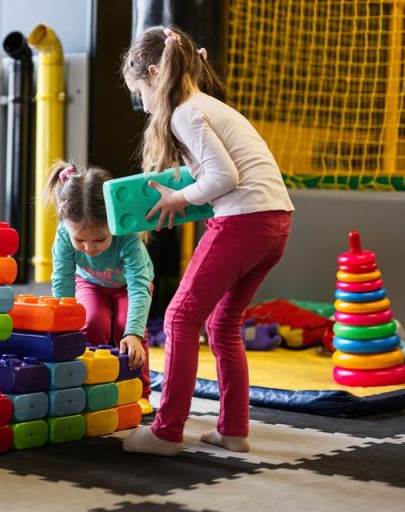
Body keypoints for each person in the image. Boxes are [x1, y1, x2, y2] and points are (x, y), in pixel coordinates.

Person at [120, 26, 294, 455]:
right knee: (222, 324)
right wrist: (182, 192)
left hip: (243, 222)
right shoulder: (210, 106)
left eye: (140, 93)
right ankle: (233, 430)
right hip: (275, 223)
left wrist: (180, 197)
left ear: (155, 74)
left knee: (180, 318)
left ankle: (166, 432)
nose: (143, 105)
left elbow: (224, 178)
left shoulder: (185, 112)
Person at [46, 161, 155, 414]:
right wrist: (65, 322)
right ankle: (97, 385)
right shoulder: (63, 235)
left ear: (113, 223)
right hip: (91, 283)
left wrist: (134, 334)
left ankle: (139, 390)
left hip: (129, 286)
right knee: (92, 322)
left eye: (99, 239)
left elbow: (139, 286)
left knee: (126, 328)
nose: (89, 248)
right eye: (80, 240)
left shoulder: (127, 236)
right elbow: (62, 279)